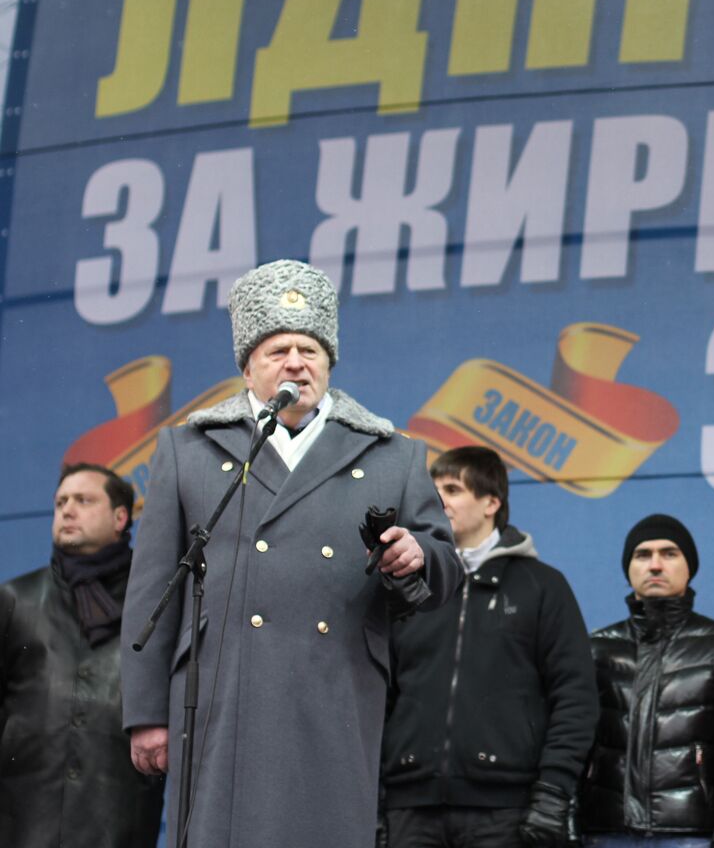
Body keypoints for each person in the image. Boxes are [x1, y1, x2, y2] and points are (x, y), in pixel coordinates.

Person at [121, 259, 461, 848]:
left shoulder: (391, 454)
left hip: (334, 692)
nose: (296, 363)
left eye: (310, 349)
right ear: (248, 366)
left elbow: (445, 568)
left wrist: (417, 556)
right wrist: (147, 715)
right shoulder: (190, 449)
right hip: (220, 698)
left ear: (330, 362)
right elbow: (155, 589)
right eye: (278, 349)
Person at [380, 445, 598, 848]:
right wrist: (375, 799)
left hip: (505, 812)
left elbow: (576, 697)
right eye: (434, 489)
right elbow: (380, 697)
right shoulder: (409, 586)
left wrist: (552, 792)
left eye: (453, 489)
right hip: (408, 807)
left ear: (491, 502)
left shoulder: (543, 586)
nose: (439, 500)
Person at [1, 463, 164, 848]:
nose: (67, 510)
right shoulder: (14, 599)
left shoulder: (158, 603)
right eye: (60, 503)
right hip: (21, 819)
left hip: (119, 814)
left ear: (120, 517)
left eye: (84, 500)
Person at [579, 514, 714, 847]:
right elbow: (572, 747)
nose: (655, 565)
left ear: (689, 567)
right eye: (642, 555)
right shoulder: (595, 648)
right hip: (604, 832)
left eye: (669, 553)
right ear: (628, 569)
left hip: (692, 835)